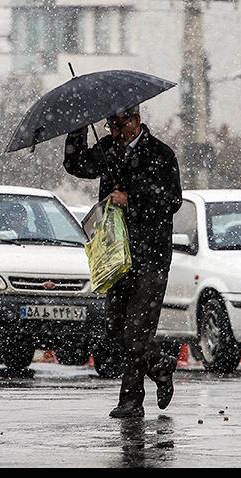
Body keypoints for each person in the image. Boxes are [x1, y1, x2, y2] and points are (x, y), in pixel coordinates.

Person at [64, 103, 183, 418]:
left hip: (151, 254)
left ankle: (130, 401)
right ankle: (159, 364)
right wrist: (78, 125)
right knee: (116, 327)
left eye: (118, 125)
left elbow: (171, 199)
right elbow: (76, 164)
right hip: (117, 253)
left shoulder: (161, 154)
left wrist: (133, 199)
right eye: (109, 127)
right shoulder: (108, 150)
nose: (114, 132)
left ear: (136, 121)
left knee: (137, 330)